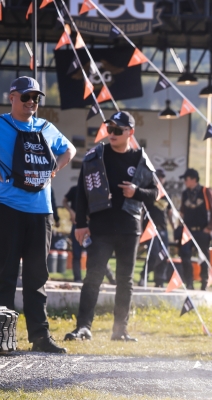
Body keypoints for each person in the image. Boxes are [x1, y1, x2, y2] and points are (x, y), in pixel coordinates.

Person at [0, 76, 76, 353]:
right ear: (12, 98)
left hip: (41, 211)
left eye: (36, 98)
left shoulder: (45, 127)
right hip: (8, 208)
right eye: (26, 97)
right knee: (7, 273)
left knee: (37, 275)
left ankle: (40, 337)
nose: (32, 102)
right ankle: (0, 337)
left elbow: (70, 149)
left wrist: (56, 169)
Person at [67, 111, 157, 342]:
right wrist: (80, 224)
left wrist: (135, 191)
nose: (113, 134)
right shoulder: (96, 155)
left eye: (118, 130)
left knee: (125, 281)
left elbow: (154, 193)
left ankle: (120, 330)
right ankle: (83, 327)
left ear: (130, 133)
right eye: (110, 129)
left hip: (129, 227)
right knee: (93, 277)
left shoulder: (140, 158)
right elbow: (81, 192)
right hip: (101, 226)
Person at [178, 168, 212, 290]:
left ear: (194, 179)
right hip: (188, 231)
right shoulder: (185, 193)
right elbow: (182, 211)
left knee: (203, 257)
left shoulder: (205, 191)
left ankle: (204, 283)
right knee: (185, 255)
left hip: (202, 230)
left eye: (186, 179)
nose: (185, 181)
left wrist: (210, 227)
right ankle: (189, 282)